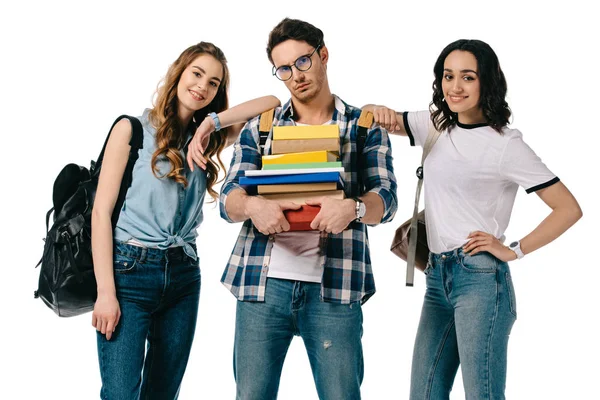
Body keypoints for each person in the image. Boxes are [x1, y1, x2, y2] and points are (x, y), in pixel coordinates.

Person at [363, 39, 582, 399]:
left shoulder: (506, 145)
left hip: (480, 279)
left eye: (467, 77)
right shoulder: (435, 124)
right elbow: (385, 118)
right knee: (424, 393)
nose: (455, 87)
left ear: (487, 83)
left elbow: (568, 208)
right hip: (436, 277)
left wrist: (514, 250)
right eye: (448, 76)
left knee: (481, 395)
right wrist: (374, 108)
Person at [218, 18, 397, 400]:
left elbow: (386, 198)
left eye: (303, 62)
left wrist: (354, 208)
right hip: (261, 286)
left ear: (324, 55)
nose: (295, 75)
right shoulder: (261, 127)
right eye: (284, 68)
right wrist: (252, 206)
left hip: (334, 289)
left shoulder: (363, 127)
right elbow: (227, 198)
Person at [90, 41, 280, 399]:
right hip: (129, 273)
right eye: (197, 74)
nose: (202, 87)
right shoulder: (131, 129)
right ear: (179, 73)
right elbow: (101, 213)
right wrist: (105, 293)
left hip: (182, 276)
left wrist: (211, 123)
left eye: (214, 83)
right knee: (119, 393)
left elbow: (272, 103)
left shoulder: (207, 138)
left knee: (163, 393)